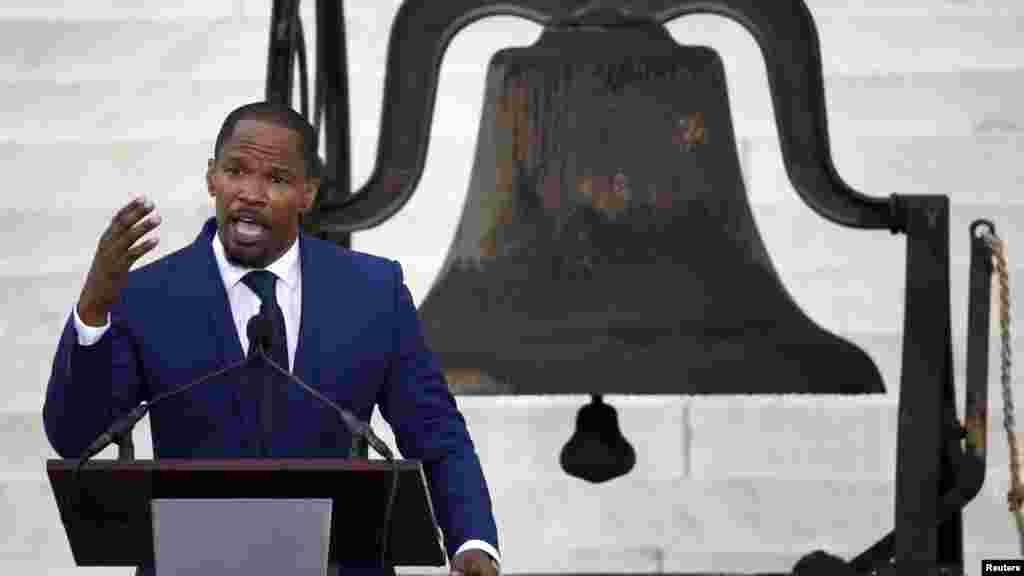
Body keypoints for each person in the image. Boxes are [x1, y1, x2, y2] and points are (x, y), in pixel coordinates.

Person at [43, 101, 500, 576]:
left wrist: (472, 540)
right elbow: (75, 439)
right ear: (211, 178)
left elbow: (436, 434)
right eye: (236, 171)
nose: (251, 194)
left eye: (277, 179)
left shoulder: (372, 292)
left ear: (307, 193)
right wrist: (94, 310)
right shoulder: (148, 295)